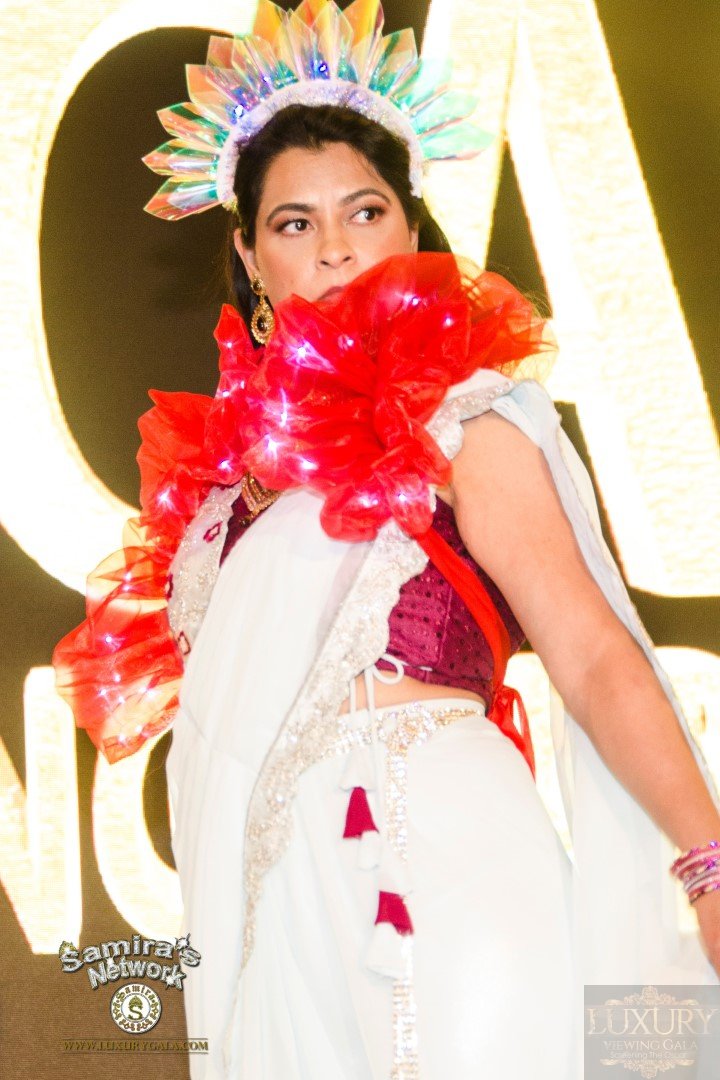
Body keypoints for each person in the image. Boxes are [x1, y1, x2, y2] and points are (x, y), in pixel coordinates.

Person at [54, 2, 720, 1077]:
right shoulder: (218, 494)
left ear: (411, 228)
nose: (336, 247)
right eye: (294, 223)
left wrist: (708, 864)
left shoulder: (467, 425)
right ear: (249, 255)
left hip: (440, 865)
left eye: (364, 210)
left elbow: (594, 657)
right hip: (277, 916)